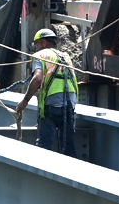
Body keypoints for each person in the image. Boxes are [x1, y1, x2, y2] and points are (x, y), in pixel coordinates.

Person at [15, 28, 79, 156]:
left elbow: (37, 78)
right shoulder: (65, 56)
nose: (36, 48)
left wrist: (25, 100)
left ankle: (42, 174)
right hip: (70, 103)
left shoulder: (40, 55)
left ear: (44, 43)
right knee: (67, 145)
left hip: (51, 104)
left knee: (44, 145)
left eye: (37, 44)